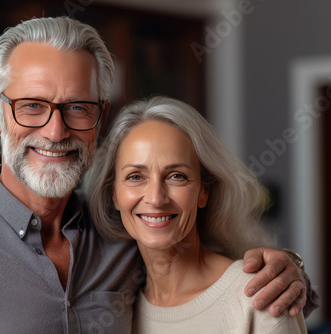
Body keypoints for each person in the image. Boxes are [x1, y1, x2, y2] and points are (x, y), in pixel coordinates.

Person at [0, 17, 312, 333]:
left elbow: (208, 278)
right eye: (33, 106)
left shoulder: (122, 231)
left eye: (77, 107)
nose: (55, 131)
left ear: (100, 118)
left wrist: (290, 269)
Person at [85, 96, 308, 333]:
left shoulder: (261, 295)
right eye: (135, 177)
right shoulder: (114, 310)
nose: (156, 198)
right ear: (114, 195)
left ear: (203, 191)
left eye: (176, 176)